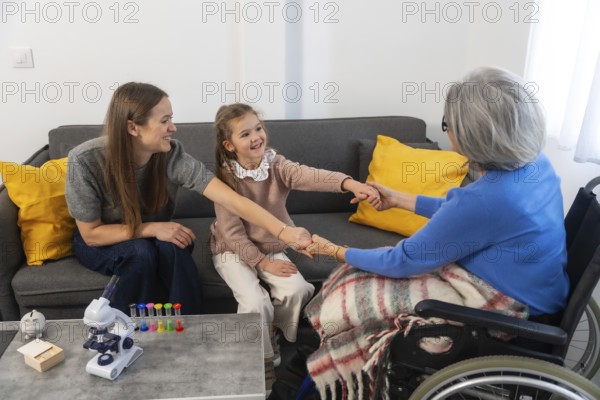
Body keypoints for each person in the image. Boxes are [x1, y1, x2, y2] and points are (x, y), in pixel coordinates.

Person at [305, 67, 571, 395]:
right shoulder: (536, 166)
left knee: (348, 285)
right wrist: (399, 199)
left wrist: (335, 251)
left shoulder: (487, 199)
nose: (447, 131)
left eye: (448, 124)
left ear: (474, 135)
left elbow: (403, 260)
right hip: (545, 294)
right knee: (353, 278)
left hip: (510, 312)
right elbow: (463, 216)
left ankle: (329, 377)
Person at [65, 82, 311, 317]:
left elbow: (231, 200)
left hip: (154, 236)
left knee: (176, 247)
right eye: (165, 121)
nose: (173, 128)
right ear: (133, 128)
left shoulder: (172, 154)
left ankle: (191, 329)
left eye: (171, 119)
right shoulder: (85, 160)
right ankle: (128, 328)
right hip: (102, 240)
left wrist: (282, 232)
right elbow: (91, 234)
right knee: (141, 252)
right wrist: (151, 228)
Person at [210, 103, 380, 387]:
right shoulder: (223, 180)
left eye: (258, 128)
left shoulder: (276, 165)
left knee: (298, 289)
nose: (256, 137)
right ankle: (258, 360)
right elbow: (232, 234)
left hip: (273, 242)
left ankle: (272, 332)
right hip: (232, 249)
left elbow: (311, 176)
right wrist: (263, 264)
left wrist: (349, 184)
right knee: (254, 301)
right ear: (229, 145)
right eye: (245, 134)